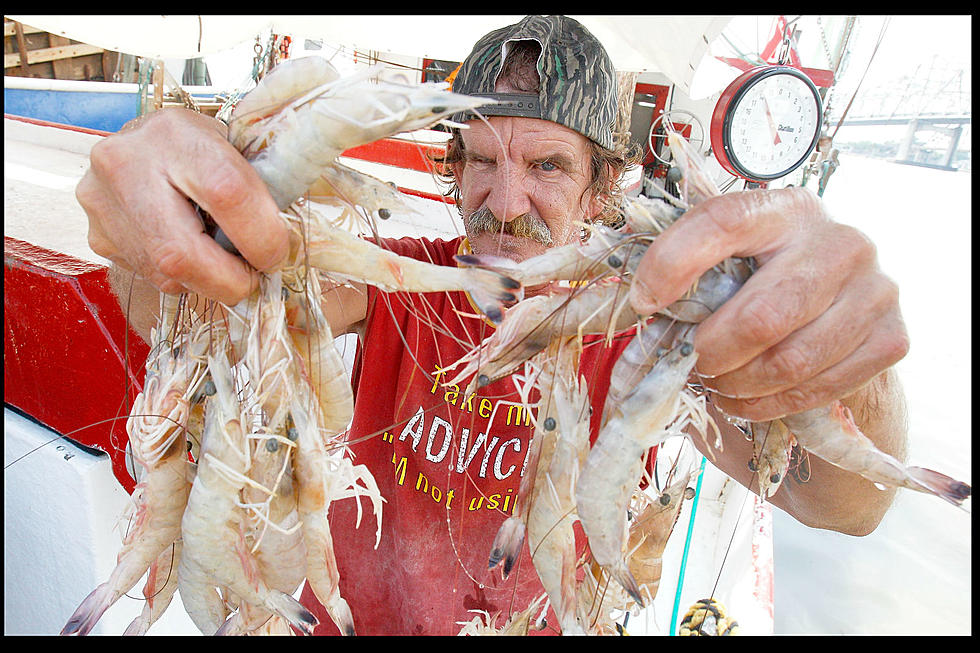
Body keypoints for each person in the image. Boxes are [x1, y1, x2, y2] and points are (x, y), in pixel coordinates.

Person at [76, 15, 910, 635]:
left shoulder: (656, 331)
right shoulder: (404, 280)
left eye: (548, 166)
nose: (505, 205)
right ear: (454, 171)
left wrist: (843, 358)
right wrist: (166, 225)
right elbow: (178, 304)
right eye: (481, 160)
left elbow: (849, 506)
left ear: (602, 188)